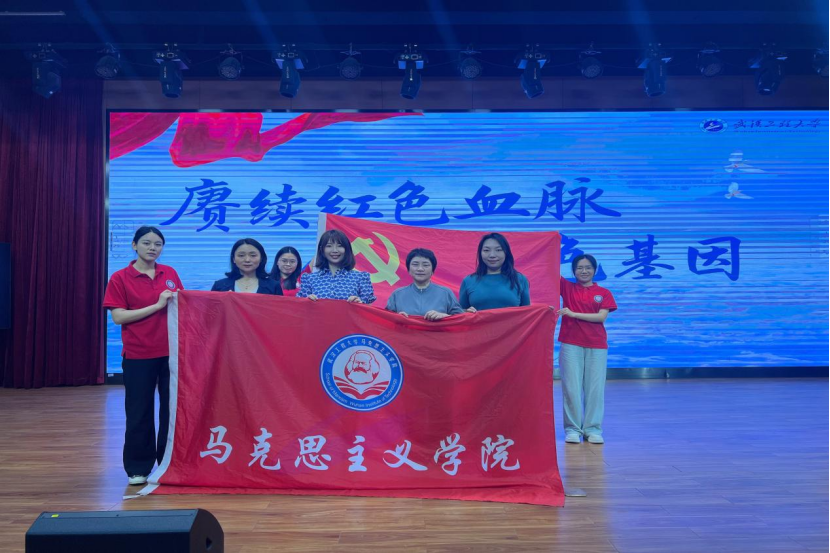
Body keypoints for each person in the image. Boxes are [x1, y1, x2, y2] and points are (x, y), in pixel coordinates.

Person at [102, 226, 184, 486]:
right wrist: (157, 306)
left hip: (171, 354)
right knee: (139, 412)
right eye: (147, 243)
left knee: (172, 412)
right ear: (134, 245)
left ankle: (169, 463)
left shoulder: (169, 273)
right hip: (138, 354)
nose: (152, 248)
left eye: (158, 244)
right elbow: (118, 317)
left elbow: (183, 305)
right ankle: (138, 467)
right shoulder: (120, 277)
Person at [558, 254, 617, 445]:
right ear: (573, 270)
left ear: (595, 270)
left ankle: (593, 429)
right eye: (580, 268)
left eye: (588, 267)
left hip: (596, 344)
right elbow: (548, 269)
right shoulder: (567, 287)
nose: (584, 271)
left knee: (595, 390)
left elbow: (601, 317)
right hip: (570, 343)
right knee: (571, 388)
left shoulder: (604, 292)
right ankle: (573, 429)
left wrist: (573, 314)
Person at [297, 229, 376, 304]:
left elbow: (369, 308)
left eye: (339, 246)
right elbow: (300, 308)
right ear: (322, 250)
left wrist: (360, 304)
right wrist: (307, 302)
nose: (335, 250)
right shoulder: (309, 279)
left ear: (346, 249)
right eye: (329, 246)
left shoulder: (361, 278)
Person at [459, 233, 530, 312]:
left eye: (498, 250)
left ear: (506, 252)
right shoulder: (468, 281)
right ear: (480, 253)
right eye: (486, 250)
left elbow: (527, 313)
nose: (492, 255)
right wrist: (466, 311)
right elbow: (460, 313)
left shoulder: (520, 279)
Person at [386, 248, 463, 320]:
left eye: (425, 265)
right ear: (409, 270)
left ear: (432, 270)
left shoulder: (445, 293)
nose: (420, 269)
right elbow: (386, 321)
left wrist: (444, 316)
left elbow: (461, 319)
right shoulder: (397, 294)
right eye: (415, 264)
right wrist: (396, 318)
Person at [211, 238, 282, 295]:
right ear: (233, 259)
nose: (247, 260)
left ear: (261, 258)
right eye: (241, 255)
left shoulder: (273, 286)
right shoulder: (219, 286)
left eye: (253, 255)